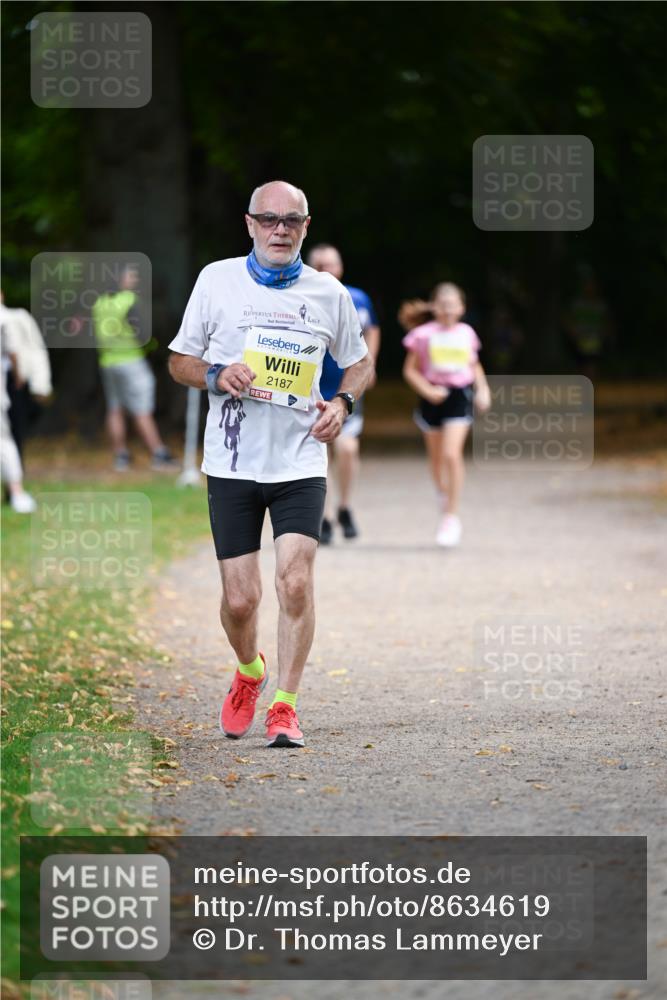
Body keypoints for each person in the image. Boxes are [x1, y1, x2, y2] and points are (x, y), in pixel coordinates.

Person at [168, 180, 374, 748]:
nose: (279, 229)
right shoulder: (216, 280)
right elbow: (179, 360)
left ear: (306, 227)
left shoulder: (328, 293)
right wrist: (213, 374)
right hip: (232, 461)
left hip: (300, 459)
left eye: (291, 220)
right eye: (268, 219)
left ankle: (284, 704)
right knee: (240, 599)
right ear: (250, 224)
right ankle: (250, 671)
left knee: (296, 582)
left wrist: (343, 402)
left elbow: (360, 364)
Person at [399, 282, 490, 547]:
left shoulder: (467, 333)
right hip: (432, 399)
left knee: (452, 454)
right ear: (434, 306)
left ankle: (451, 516)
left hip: (459, 396)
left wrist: (483, 389)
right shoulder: (423, 335)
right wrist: (427, 390)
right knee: (437, 460)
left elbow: (474, 365)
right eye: (443, 304)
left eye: (453, 304)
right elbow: (410, 371)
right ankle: (442, 492)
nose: (448, 309)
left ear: (462, 308)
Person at [307, 244, 380, 544]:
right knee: (319, 454)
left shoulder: (357, 298)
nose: (328, 270)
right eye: (321, 265)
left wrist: (369, 363)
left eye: (332, 264)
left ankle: (345, 507)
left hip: (345, 388)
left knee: (347, 449)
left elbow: (372, 329)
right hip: (311, 390)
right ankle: (321, 517)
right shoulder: (302, 298)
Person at [93, 265, 175, 471]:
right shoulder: (129, 300)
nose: (134, 280)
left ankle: (120, 456)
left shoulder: (99, 302)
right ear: (119, 278)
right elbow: (142, 333)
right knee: (142, 409)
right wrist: (152, 347)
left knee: (115, 408)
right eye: (131, 276)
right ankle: (158, 453)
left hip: (107, 361)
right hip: (131, 360)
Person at [0, 305, 37, 513]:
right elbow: (13, 351)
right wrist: (19, 375)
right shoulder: (5, 317)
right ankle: (17, 492)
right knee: (5, 443)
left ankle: (16, 492)